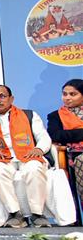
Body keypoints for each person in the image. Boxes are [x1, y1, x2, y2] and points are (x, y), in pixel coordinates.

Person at [0, 85, 52, 228]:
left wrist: (39, 148)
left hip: (28, 155)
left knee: (34, 168)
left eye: (2, 97)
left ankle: (37, 214)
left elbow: (44, 137)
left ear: (11, 98)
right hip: (4, 158)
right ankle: (15, 213)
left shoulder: (29, 115)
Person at [47, 79, 83, 212]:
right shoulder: (56, 116)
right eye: (65, 94)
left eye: (73, 94)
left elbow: (65, 135)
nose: (67, 98)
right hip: (73, 155)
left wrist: (72, 133)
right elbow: (56, 135)